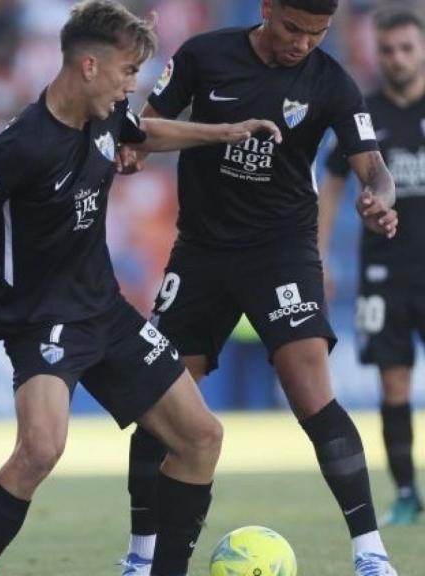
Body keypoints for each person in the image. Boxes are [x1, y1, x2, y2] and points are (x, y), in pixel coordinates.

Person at [0, 2, 283, 575]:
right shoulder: (22, 145)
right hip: (40, 318)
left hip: (105, 310)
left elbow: (144, 131)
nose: (131, 85)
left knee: (201, 437)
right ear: (89, 66)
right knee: (41, 449)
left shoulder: (108, 114)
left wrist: (224, 133)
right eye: (126, 72)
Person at [117, 0, 401, 574]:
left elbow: (374, 166)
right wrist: (204, 135)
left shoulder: (332, 81)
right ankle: (140, 557)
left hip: (282, 252)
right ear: (268, 9)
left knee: (312, 395)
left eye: (316, 34)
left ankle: (371, 552)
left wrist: (380, 200)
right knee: (160, 404)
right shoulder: (204, 55)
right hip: (200, 251)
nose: (302, 43)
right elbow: (144, 130)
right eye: (294, 28)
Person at [319, 7, 425, 527]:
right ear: (376, 52)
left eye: (407, 48)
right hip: (384, 273)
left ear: (422, 49)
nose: (398, 58)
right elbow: (333, 182)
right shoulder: (363, 117)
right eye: (388, 50)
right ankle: (406, 492)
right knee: (393, 385)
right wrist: (317, 254)